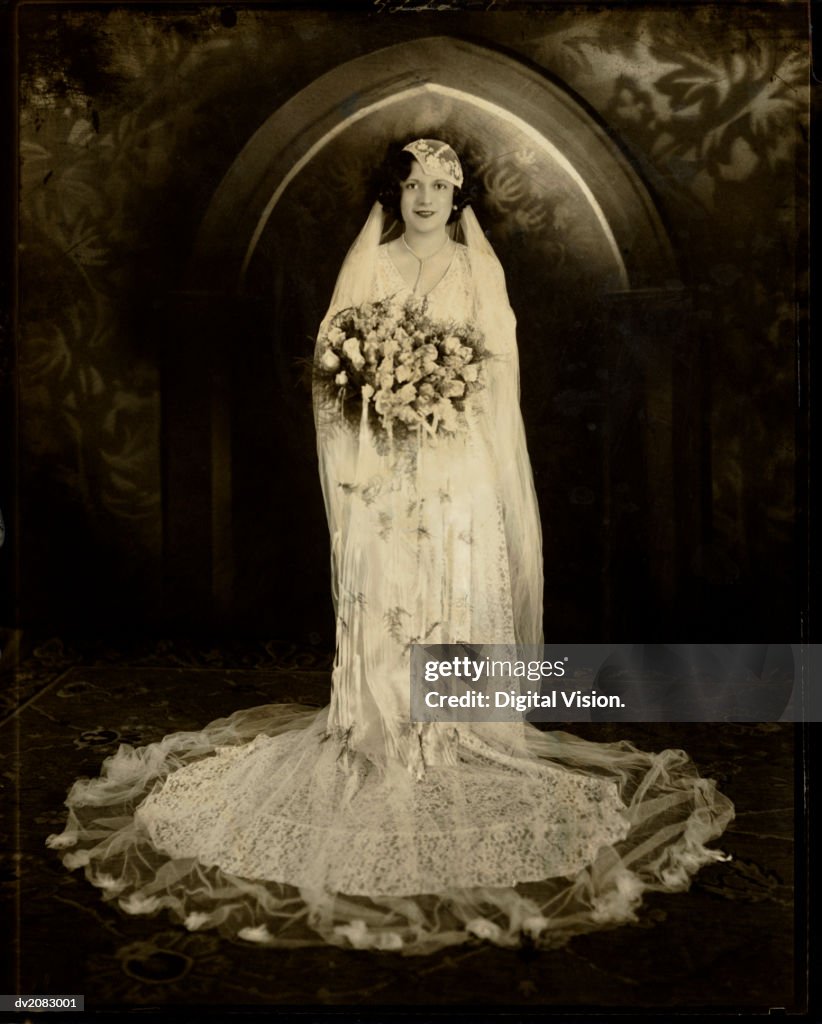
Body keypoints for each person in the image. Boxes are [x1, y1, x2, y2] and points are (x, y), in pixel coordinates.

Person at [47, 139, 733, 954]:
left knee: (450, 583)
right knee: (387, 587)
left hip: (457, 470)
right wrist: (376, 401)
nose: (427, 196)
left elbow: (499, 379)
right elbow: (332, 376)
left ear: (461, 195)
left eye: (442, 184)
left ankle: (457, 727)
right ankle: (378, 727)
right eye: (413, 183)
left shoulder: (480, 272)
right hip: (384, 470)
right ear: (393, 192)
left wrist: (451, 414)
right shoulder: (369, 267)